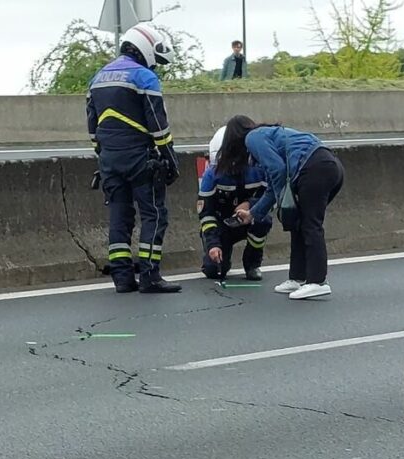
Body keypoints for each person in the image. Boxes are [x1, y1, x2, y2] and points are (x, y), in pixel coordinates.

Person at [86, 23, 182, 294]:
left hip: (109, 159)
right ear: (146, 47)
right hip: (140, 157)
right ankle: (151, 276)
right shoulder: (144, 77)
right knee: (154, 214)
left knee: (119, 215)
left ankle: (122, 278)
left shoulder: (98, 77)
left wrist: (103, 156)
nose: (156, 67)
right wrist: (170, 159)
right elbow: (158, 126)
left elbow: (92, 127)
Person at [217, 116, 345, 300]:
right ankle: (297, 278)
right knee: (300, 224)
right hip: (328, 166)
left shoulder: (252, 138)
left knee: (310, 225)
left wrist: (284, 205)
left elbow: (278, 170)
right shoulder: (266, 137)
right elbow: (272, 184)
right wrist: (253, 214)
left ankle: (317, 282)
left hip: (315, 168)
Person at [198, 127, 272, 281]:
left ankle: (252, 263)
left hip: (248, 220)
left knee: (263, 219)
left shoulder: (260, 170)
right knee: (214, 272)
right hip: (222, 225)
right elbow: (206, 214)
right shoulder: (211, 175)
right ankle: (222, 256)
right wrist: (213, 244)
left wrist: (250, 204)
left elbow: (271, 198)